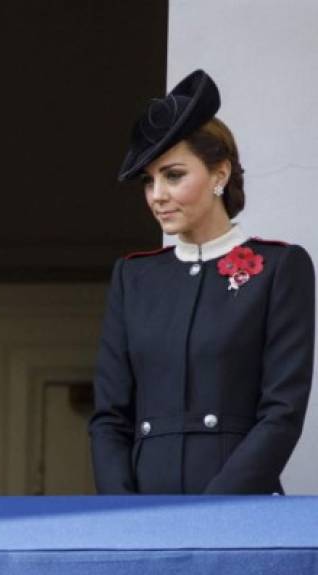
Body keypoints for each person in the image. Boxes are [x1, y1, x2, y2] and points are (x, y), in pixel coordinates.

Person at [90, 70, 315, 494]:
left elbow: (282, 412)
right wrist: (120, 512)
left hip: (238, 507)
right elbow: (109, 417)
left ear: (219, 175)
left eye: (173, 175)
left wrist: (214, 513)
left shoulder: (280, 267)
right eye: (149, 180)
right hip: (142, 511)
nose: (157, 194)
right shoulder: (133, 276)